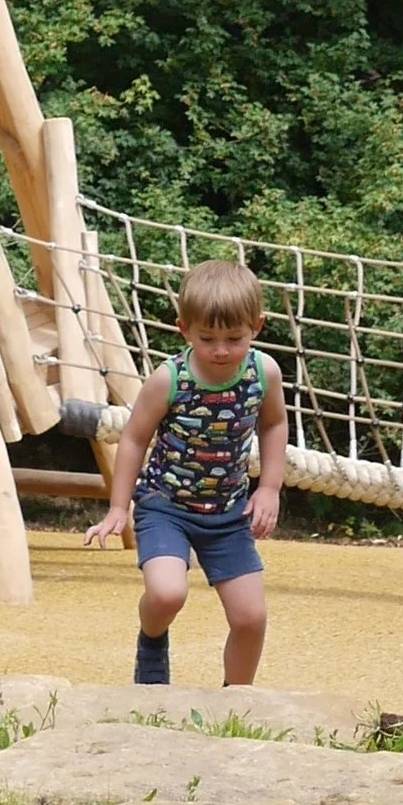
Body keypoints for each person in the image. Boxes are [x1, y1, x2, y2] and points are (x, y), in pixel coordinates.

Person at [83, 259, 287, 687]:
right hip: (166, 506)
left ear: (257, 326)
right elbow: (135, 438)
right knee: (167, 593)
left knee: (251, 618)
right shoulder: (169, 379)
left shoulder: (262, 373)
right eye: (206, 338)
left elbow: (273, 423)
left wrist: (268, 488)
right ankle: (152, 639)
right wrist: (119, 507)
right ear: (184, 329)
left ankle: (237, 700)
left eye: (234, 338)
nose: (220, 350)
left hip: (228, 512)